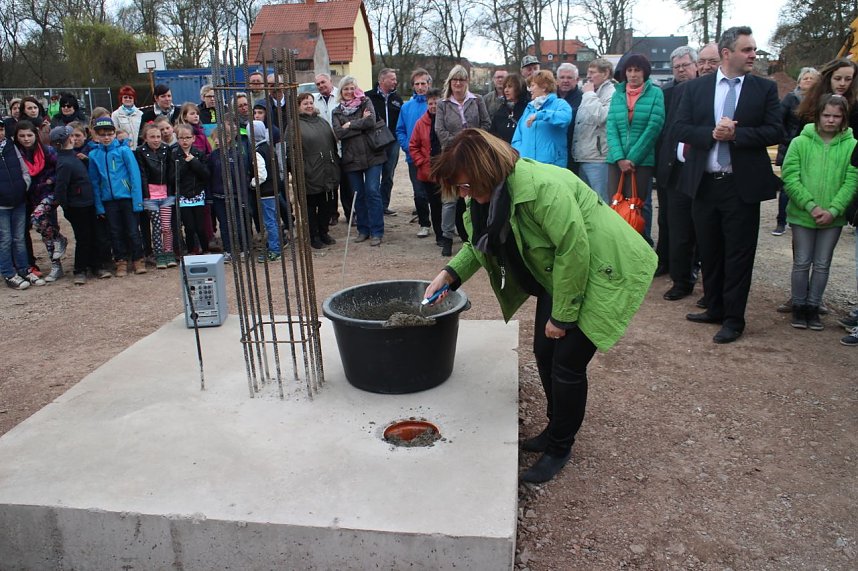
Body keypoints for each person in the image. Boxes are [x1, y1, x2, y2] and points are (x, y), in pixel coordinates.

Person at [424, 129, 656, 483]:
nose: (464, 194)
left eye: (467, 186)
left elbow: (573, 251)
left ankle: (560, 447)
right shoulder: (488, 197)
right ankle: (554, 427)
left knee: (567, 364)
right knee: (544, 352)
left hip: (600, 269)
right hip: (558, 273)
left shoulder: (544, 190)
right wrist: (449, 274)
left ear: (486, 170)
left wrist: (562, 316)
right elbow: (479, 245)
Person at [674, 26, 783, 344]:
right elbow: (680, 128)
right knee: (709, 251)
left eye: (753, 49)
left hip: (741, 187)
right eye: (747, 49)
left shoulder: (764, 89)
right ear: (727, 53)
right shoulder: (698, 89)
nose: (753, 55)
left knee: (738, 254)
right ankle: (715, 307)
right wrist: (711, 133)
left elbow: (776, 131)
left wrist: (737, 135)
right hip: (705, 185)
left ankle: (735, 319)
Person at [781, 94, 858, 330]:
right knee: (802, 261)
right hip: (803, 214)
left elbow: (852, 179)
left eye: (837, 116)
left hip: (832, 218)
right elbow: (790, 176)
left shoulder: (852, 145)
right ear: (818, 116)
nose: (831, 120)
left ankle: (813, 307)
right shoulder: (800, 143)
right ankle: (799, 305)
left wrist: (834, 209)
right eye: (827, 115)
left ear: (844, 118)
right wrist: (811, 205)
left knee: (823, 263)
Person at [606, 52, 665, 239]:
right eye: (629, 70)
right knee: (616, 204)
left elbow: (654, 127)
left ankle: (640, 246)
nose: (633, 74)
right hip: (616, 161)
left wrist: (632, 158)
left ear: (644, 72)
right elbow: (611, 127)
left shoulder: (655, 93)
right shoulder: (617, 95)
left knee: (636, 206)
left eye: (637, 70)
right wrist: (619, 157)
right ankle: (618, 247)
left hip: (641, 162)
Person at [435, 64, 492, 256]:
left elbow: (486, 123)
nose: (458, 83)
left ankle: (476, 235)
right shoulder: (442, 104)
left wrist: (472, 141)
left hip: (475, 156)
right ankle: (447, 238)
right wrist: (461, 142)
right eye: (455, 80)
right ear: (450, 82)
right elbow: (440, 131)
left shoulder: (477, 100)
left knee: (476, 196)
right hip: (451, 156)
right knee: (450, 199)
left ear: (467, 82)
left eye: (462, 79)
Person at [655, 46, 699, 290]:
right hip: (668, 163)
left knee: (689, 223)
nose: (681, 70)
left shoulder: (703, 90)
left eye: (685, 65)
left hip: (692, 165)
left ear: (694, 66)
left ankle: (688, 269)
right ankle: (665, 261)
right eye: (677, 67)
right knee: (667, 218)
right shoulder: (665, 92)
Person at [331, 76, 387, 246]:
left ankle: (377, 231)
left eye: (351, 88)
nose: (349, 92)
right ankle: (363, 229)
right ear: (341, 92)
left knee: (372, 191)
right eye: (345, 89)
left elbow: (371, 121)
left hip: (373, 155)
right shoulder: (336, 112)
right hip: (351, 158)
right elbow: (339, 134)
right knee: (358, 195)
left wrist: (350, 125)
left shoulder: (365, 101)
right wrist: (359, 124)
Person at [88, 116, 146, 277]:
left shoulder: (124, 151)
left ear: (114, 133)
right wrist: (99, 205)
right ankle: (120, 261)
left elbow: (134, 175)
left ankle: (138, 259)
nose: (106, 137)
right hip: (109, 201)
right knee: (115, 232)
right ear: (96, 136)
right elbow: (95, 181)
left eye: (109, 134)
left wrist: (137, 201)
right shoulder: (94, 155)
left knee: (133, 230)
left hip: (126, 198)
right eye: (102, 134)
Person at [16, 120, 67, 283]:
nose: (26, 139)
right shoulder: (16, 155)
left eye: (29, 135)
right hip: (30, 197)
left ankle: (60, 238)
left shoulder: (47, 151)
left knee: (37, 218)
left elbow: (61, 168)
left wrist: (51, 180)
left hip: (50, 194)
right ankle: (56, 265)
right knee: (45, 231)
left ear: (35, 135)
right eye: (22, 136)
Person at [51, 125, 103, 284]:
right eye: (71, 136)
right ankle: (80, 269)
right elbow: (61, 187)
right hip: (77, 206)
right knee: (83, 238)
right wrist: (67, 207)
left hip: (87, 203)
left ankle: (94, 265)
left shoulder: (73, 156)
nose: (74, 138)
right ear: (66, 140)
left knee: (92, 235)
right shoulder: (64, 162)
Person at [772, 67, 819, 237]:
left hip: (813, 150)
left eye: (811, 78)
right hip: (790, 147)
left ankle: (798, 218)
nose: (807, 80)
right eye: (805, 78)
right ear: (799, 81)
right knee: (787, 186)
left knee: (807, 184)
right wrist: (786, 140)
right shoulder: (791, 99)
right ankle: (781, 221)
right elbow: (779, 121)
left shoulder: (821, 101)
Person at [297, 93, 339, 249]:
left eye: (310, 102)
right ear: (298, 106)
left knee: (326, 205)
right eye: (305, 103)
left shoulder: (322, 122)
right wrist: (300, 170)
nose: (309, 105)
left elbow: (332, 146)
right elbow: (290, 152)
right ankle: (313, 235)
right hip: (308, 174)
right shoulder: (295, 125)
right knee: (310, 207)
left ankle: (324, 232)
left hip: (326, 171)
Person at [0, 121, 39, 289]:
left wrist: (24, 185)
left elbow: (23, 168)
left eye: (0, 129)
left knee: (19, 238)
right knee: (5, 240)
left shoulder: (10, 145)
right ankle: (9, 273)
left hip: (18, 200)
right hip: (1, 205)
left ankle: (24, 269)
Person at [572, 58, 615, 202]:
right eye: (588, 72)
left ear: (606, 73)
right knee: (587, 202)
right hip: (583, 156)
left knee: (601, 202)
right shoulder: (590, 92)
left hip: (599, 158)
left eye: (593, 72)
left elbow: (602, 117)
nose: (588, 76)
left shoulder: (611, 92)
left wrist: (589, 94)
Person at [395, 68, 432, 237]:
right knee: (419, 192)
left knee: (439, 191)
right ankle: (424, 223)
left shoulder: (435, 104)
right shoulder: (406, 107)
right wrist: (407, 147)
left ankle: (442, 223)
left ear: (429, 84)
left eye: (423, 83)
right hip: (414, 157)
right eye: (417, 84)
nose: (420, 87)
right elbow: (400, 130)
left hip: (434, 156)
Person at [511, 70, 573, 167]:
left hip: (552, 165)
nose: (529, 89)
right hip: (528, 165)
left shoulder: (559, 103)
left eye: (532, 85)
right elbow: (517, 137)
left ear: (544, 86)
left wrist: (540, 115)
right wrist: (521, 155)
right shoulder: (529, 108)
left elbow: (565, 118)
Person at [136, 123, 176, 269]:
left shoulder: (167, 149)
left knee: (167, 226)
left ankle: (169, 252)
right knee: (157, 226)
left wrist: (172, 190)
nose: (156, 140)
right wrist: (146, 195)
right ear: (145, 138)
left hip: (166, 193)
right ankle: (159, 254)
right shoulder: (140, 151)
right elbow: (142, 174)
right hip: (151, 195)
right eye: (152, 137)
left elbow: (171, 171)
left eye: (158, 136)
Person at [409, 87, 445, 246]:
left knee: (452, 204)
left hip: (446, 169)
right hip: (428, 171)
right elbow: (413, 146)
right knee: (435, 205)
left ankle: (452, 231)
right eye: (431, 103)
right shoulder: (420, 123)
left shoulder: (447, 120)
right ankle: (440, 235)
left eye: (436, 103)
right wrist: (421, 162)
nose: (433, 106)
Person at [366, 68, 402, 216]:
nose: (395, 81)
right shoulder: (368, 97)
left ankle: (383, 205)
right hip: (374, 142)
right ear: (382, 80)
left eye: (395, 79)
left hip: (392, 142)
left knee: (388, 175)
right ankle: (372, 206)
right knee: (373, 175)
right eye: (392, 79)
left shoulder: (397, 99)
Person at [313, 72, 348, 225]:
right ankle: (332, 213)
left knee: (347, 182)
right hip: (326, 146)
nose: (321, 86)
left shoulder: (340, 97)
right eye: (318, 84)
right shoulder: (314, 100)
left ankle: (349, 212)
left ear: (330, 81)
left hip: (344, 144)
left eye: (323, 82)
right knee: (330, 183)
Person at [173, 124, 210, 255]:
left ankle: (205, 249)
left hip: (198, 194)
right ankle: (191, 251)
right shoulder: (174, 155)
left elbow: (205, 174)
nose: (185, 140)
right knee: (189, 227)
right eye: (181, 138)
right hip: (183, 196)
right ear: (177, 139)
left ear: (193, 138)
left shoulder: (199, 154)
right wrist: (185, 163)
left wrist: (194, 162)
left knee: (200, 227)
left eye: (188, 137)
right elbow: (174, 177)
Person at [556, 63, 582, 171]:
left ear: (577, 79)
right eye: (562, 77)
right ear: (556, 79)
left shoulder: (583, 98)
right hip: (555, 151)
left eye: (569, 77)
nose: (565, 80)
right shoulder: (550, 98)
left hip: (575, 152)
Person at [490, 74, 528, 143]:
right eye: (505, 87)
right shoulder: (501, 109)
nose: (506, 90)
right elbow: (493, 133)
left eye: (510, 87)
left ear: (519, 88)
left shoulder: (528, 109)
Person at [111, 85, 144, 150]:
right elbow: (114, 133)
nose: (128, 99)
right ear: (121, 99)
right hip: (123, 149)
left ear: (134, 99)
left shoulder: (140, 114)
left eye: (130, 97)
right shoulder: (115, 114)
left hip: (139, 149)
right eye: (125, 97)